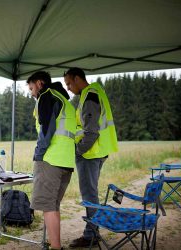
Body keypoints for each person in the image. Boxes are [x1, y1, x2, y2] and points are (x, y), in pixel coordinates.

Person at [64, 67, 118, 248]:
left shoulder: (89, 97)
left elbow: (91, 132)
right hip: (96, 152)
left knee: (89, 195)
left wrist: (78, 151)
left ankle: (91, 235)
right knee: (91, 193)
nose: (69, 88)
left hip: (90, 153)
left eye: (69, 83)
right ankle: (92, 232)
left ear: (78, 79)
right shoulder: (93, 92)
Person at [27, 71, 76, 250]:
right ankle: (55, 244)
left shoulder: (46, 96)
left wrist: (38, 154)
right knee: (53, 205)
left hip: (50, 160)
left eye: (31, 88)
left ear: (40, 83)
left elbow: (47, 129)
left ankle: (56, 247)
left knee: (48, 206)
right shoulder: (66, 102)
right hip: (66, 162)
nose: (31, 93)